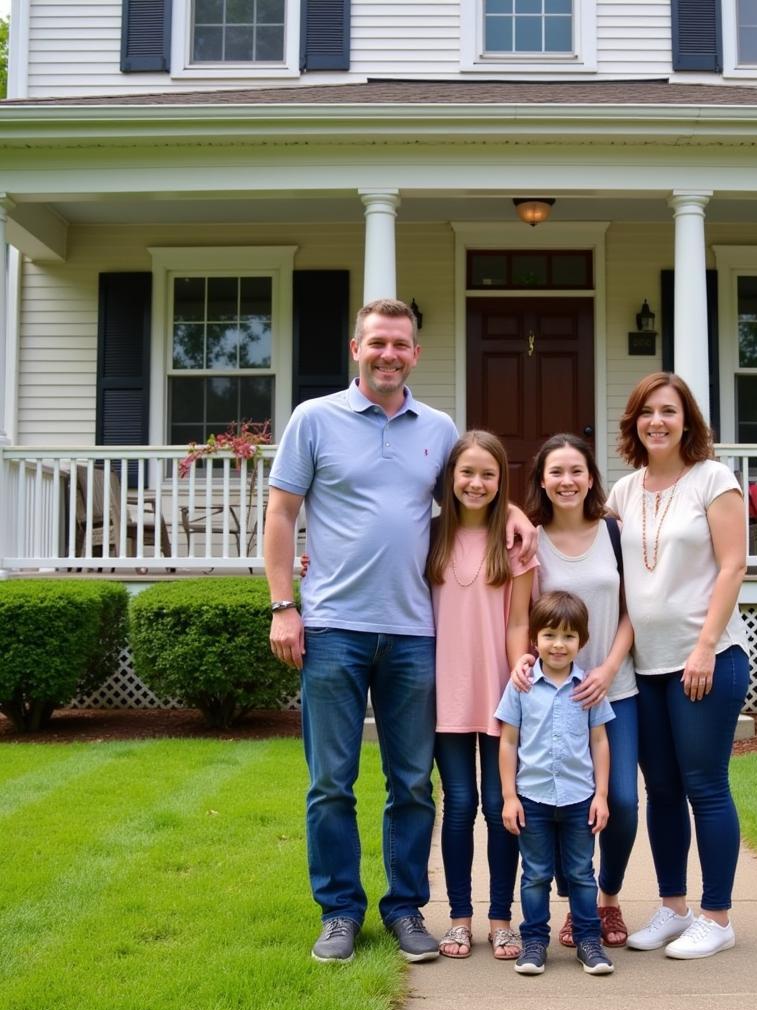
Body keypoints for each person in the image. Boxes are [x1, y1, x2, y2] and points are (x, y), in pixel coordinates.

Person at [264, 298, 535, 966]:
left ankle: (406, 906)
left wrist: (516, 512)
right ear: (356, 347)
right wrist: (281, 605)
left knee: (413, 783)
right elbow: (280, 513)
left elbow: (477, 483)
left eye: (401, 344)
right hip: (332, 627)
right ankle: (340, 912)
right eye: (377, 342)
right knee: (331, 781)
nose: (389, 354)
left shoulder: (437, 428)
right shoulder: (314, 419)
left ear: (415, 354)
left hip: (415, 633)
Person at [607, 371, 749, 960]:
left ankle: (717, 917)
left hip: (706, 661)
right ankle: (673, 907)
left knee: (704, 786)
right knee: (661, 790)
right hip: (647, 668)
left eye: (668, 411)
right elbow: (572, 534)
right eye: (646, 412)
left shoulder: (713, 480)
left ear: (686, 420)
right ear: (633, 423)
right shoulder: (622, 491)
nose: (656, 421)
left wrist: (704, 646)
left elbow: (733, 566)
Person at [514, 434, 637, 949]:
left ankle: (606, 899)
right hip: (551, 696)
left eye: (577, 471)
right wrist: (521, 666)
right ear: (542, 480)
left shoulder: (615, 533)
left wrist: (608, 668)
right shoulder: (530, 540)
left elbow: (633, 610)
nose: (567, 481)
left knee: (622, 802)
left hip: (614, 689)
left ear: (591, 478)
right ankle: (576, 906)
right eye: (556, 472)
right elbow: (521, 616)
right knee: (557, 801)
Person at [427, 430, 537, 960]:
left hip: (499, 693)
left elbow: (519, 620)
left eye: (488, 475)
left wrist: (520, 662)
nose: (476, 483)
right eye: (466, 472)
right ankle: (459, 917)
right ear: (450, 478)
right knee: (458, 805)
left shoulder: (514, 544)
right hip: (445, 692)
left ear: (502, 482)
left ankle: (500, 917)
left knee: (499, 807)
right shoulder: (428, 537)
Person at [496, 591, 616, 976]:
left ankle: (588, 941)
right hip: (532, 798)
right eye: (549, 635)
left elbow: (599, 740)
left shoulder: (588, 688)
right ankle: (533, 942)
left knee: (582, 873)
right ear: (535, 638)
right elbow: (508, 741)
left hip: (580, 798)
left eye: (568, 636)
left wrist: (601, 795)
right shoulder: (522, 685)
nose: (559, 644)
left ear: (581, 641)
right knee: (535, 875)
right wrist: (509, 797)